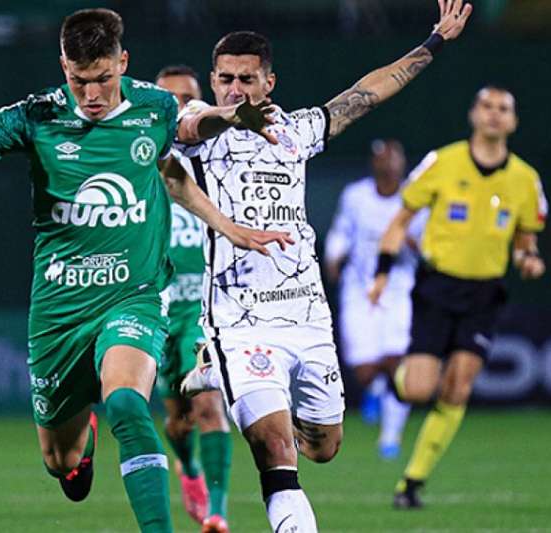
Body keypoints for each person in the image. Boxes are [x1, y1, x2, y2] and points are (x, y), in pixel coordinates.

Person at [0, 9, 288, 533]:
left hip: (131, 297)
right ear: (63, 66)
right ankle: (79, 444)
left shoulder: (153, 107)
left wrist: (230, 129)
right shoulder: (36, 115)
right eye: (79, 80)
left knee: (129, 406)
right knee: (59, 462)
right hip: (58, 309)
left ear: (123, 62)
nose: (91, 94)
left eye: (103, 79)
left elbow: (183, 140)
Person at [175, 1, 472, 530]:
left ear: (270, 80)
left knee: (323, 446)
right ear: (213, 80)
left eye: (247, 79)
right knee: (274, 447)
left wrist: (434, 43)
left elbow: (369, 91)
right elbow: (194, 126)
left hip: (307, 315)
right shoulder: (197, 131)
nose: (235, 88)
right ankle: (227, 367)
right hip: (241, 320)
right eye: (225, 78)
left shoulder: (298, 131)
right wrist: (224, 115)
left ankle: (218, 374)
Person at [369, 85, 548, 508]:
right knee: (418, 389)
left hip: (484, 293)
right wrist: (381, 273)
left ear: (513, 121)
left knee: (457, 388)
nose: (494, 115)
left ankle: (411, 483)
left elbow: (526, 239)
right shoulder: (443, 162)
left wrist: (528, 259)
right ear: (473, 114)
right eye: (486, 106)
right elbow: (400, 221)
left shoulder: (525, 179)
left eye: (503, 109)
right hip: (437, 287)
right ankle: (394, 385)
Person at [155, 65, 232, 533]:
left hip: (203, 312)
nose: (181, 106)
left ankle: (218, 512)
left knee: (208, 406)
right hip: (155, 310)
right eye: (171, 99)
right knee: (178, 422)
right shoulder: (141, 162)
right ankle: (189, 468)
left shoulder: (219, 163)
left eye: (189, 97)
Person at [324, 139, 424, 460]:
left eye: (393, 158)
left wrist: (410, 241)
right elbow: (341, 232)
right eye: (382, 158)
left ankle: (390, 437)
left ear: (402, 163)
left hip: (398, 290)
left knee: (397, 362)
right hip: (360, 288)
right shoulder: (356, 196)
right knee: (366, 369)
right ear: (373, 163)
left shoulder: (415, 198)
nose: (388, 164)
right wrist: (334, 257)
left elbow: (428, 245)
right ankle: (376, 392)